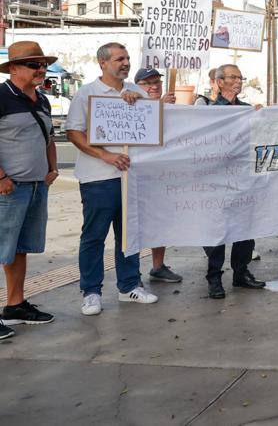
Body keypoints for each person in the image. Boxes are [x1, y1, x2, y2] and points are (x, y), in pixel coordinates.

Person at [67, 43, 159, 315]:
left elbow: (154, 125)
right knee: (94, 236)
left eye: (128, 58)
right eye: (120, 59)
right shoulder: (87, 94)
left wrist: (141, 100)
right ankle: (91, 292)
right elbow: (74, 133)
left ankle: (129, 285)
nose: (126, 63)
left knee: (129, 234)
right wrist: (106, 156)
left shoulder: (138, 91)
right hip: (98, 178)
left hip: (131, 178)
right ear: (103, 63)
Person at [0, 42, 60, 338]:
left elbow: (48, 137)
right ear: (13, 68)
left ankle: (15, 305)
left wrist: (53, 168)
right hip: (8, 189)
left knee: (20, 249)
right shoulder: (1, 96)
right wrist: (1, 178)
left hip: (36, 186)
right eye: (34, 65)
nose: (41, 70)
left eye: (43, 65)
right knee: (1, 248)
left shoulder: (43, 100)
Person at [203, 64, 266, 298]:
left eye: (241, 77)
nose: (239, 81)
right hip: (217, 180)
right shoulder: (208, 111)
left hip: (243, 178)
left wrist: (261, 117)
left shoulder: (246, 109)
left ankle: (241, 272)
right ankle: (214, 278)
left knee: (244, 228)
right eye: (233, 77)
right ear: (220, 82)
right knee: (218, 231)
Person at [133, 68, 182, 283]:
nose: (153, 86)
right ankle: (129, 272)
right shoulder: (129, 103)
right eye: (147, 83)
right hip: (135, 175)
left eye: (156, 82)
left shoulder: (169, 107)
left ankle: (158, 265)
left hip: (162, 174)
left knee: (160, 221)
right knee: (131, 224)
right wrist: (160, 106)